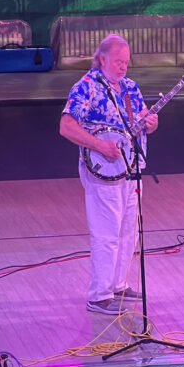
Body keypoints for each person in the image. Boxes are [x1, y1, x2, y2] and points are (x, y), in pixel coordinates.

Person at [59, 33, 158, 314]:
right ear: (102, 59)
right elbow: (66, 126)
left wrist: (151, 123)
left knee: (128, 231)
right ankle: (99, 295)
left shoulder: (130, 88)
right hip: (103, 170)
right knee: (106, 232)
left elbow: (142, 121)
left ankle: (118, 285)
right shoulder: (86, 87)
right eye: (118, 61)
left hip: (131, 168)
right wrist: (100, 145)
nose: (123, 67)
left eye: (126, 62)